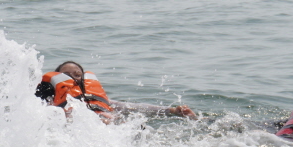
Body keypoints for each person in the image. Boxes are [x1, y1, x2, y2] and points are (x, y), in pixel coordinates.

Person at [36, 61, 196, 121]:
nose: (74, 78)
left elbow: (135, 107)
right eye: (67, 75)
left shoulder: (105, 102)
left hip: (109, 125)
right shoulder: (52, 106)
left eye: (78, 74)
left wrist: (171, 110)